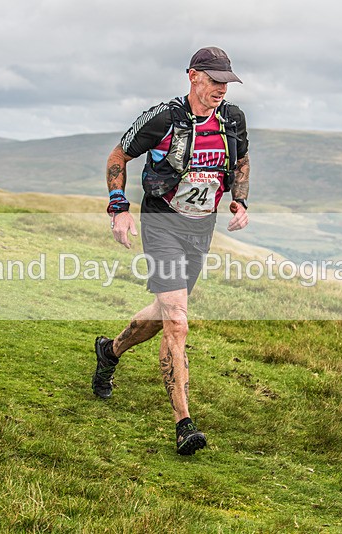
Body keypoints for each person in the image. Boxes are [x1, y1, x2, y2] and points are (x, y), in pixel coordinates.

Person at [93, 46, 251, 455]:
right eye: (214, 80)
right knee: (178, 322)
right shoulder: (164, 118)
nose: (220, 89)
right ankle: (184, 424)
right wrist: (118, 207)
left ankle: (110, 352)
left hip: (201, 228)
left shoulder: (232, 120)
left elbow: (242, 159)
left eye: (225, 82)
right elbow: (118, 155)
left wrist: (240, 198)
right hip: (162, 222)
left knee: (167, 313)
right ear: (192, 76)